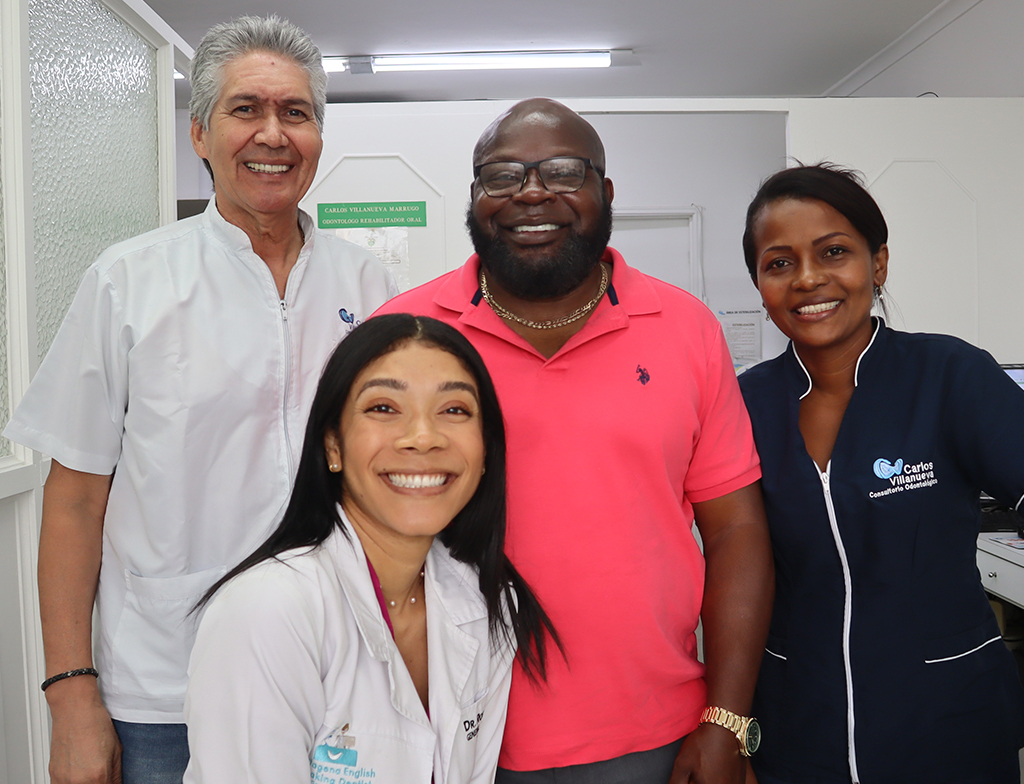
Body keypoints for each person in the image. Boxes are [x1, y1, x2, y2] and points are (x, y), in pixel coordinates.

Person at [3, 15, 397, 784]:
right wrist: (71, 694)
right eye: (246, 109)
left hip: (335, 678)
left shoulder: (370, 287)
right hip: (163, 692)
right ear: (200, 135)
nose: (273, 134)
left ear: (319, 136)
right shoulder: (128, 283)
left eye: (295, 112)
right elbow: (75, 500)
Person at [375, 98, 774, 784]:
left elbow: (736, 530)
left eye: (563, 172)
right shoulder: (403, 333)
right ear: (474, 197)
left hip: (650, 735)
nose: (532, 193)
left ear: (605, 191)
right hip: (446, 735)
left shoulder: (687, 329)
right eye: (503, 176)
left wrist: (727, 719)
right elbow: (356, 530)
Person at [738, 163, 1024, 783]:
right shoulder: (743, 405)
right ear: (760, 285)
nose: (808, 278)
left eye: (833, 252)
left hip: (947, 719)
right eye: (779, 263)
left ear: (879, 264)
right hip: (796, 720)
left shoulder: (950, 375)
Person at [183, 313, 556, 783]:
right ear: (333, 446)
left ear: (485, 453)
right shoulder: (268, 610)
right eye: (383, 407)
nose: (423, 438)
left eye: (454, 410)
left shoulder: (486, 601)